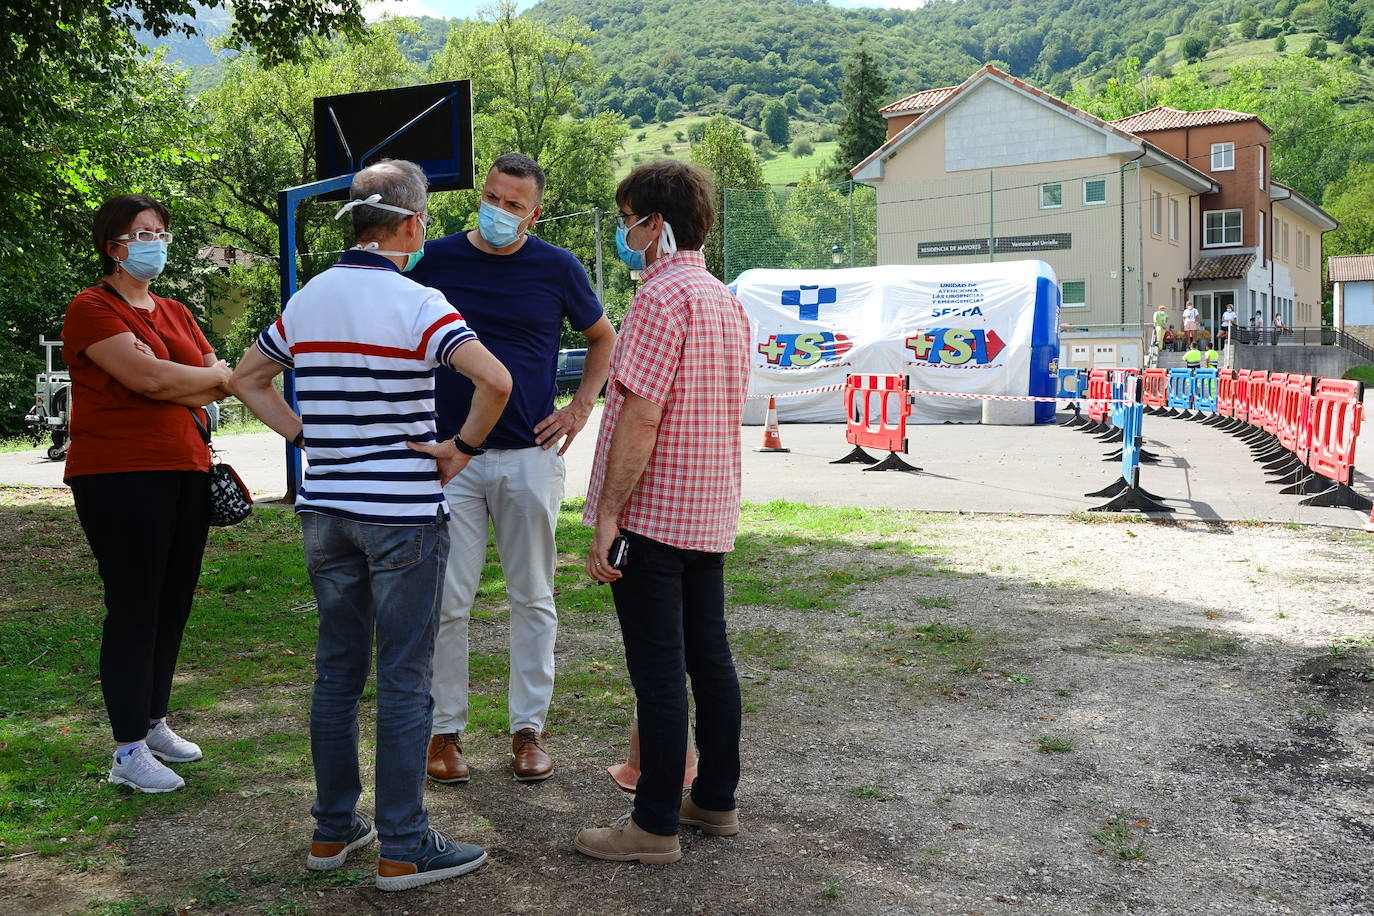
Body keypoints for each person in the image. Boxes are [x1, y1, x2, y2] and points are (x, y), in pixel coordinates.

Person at [229, 160, 511, 891]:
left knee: (337, 674)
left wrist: (304, 436)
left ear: (354, 222)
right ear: (413, 224)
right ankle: (404, 845)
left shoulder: (309, 299)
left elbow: (245, 377)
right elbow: (497, 380)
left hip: (327, 510)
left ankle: (332, 832)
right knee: (404, 678)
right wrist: (462, 449)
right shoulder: (421, 303)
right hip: (403, 514)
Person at [409, 153, 615, 785]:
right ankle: (444, 734)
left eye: (514, 205)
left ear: (536, 212)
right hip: (452, 458)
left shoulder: (557, 266)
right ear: (481, 194)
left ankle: (529, 729)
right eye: (492, 198)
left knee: (533, 596)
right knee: (448, 599)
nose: (499, 212)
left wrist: (582, 408)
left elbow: (603, 336)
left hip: (530, 454)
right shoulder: (434, 260)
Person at [575, 160, 750, 864]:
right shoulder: (725, 300)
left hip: (654, 514)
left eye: (627, 221)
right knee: (710, 660)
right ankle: (714, 799)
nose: (624, 233)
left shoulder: (657, 300)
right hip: (708, 510)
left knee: (657, 671)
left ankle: (651, 827)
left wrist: (609, 514)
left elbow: (641, 417)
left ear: (656, 224)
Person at [61, 194, 233, 794]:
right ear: (115, 245)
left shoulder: (176, 311)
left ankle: (153, 720)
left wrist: (187, 383)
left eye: (160, 230)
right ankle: (127, 750)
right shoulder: (91, 308)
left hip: (186, 467)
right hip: (118, 476)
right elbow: (152, 377)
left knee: (172, 602)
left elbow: (219, 381)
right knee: (135, 606)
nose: (156, 241)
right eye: (143, 232)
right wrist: (184, 381)